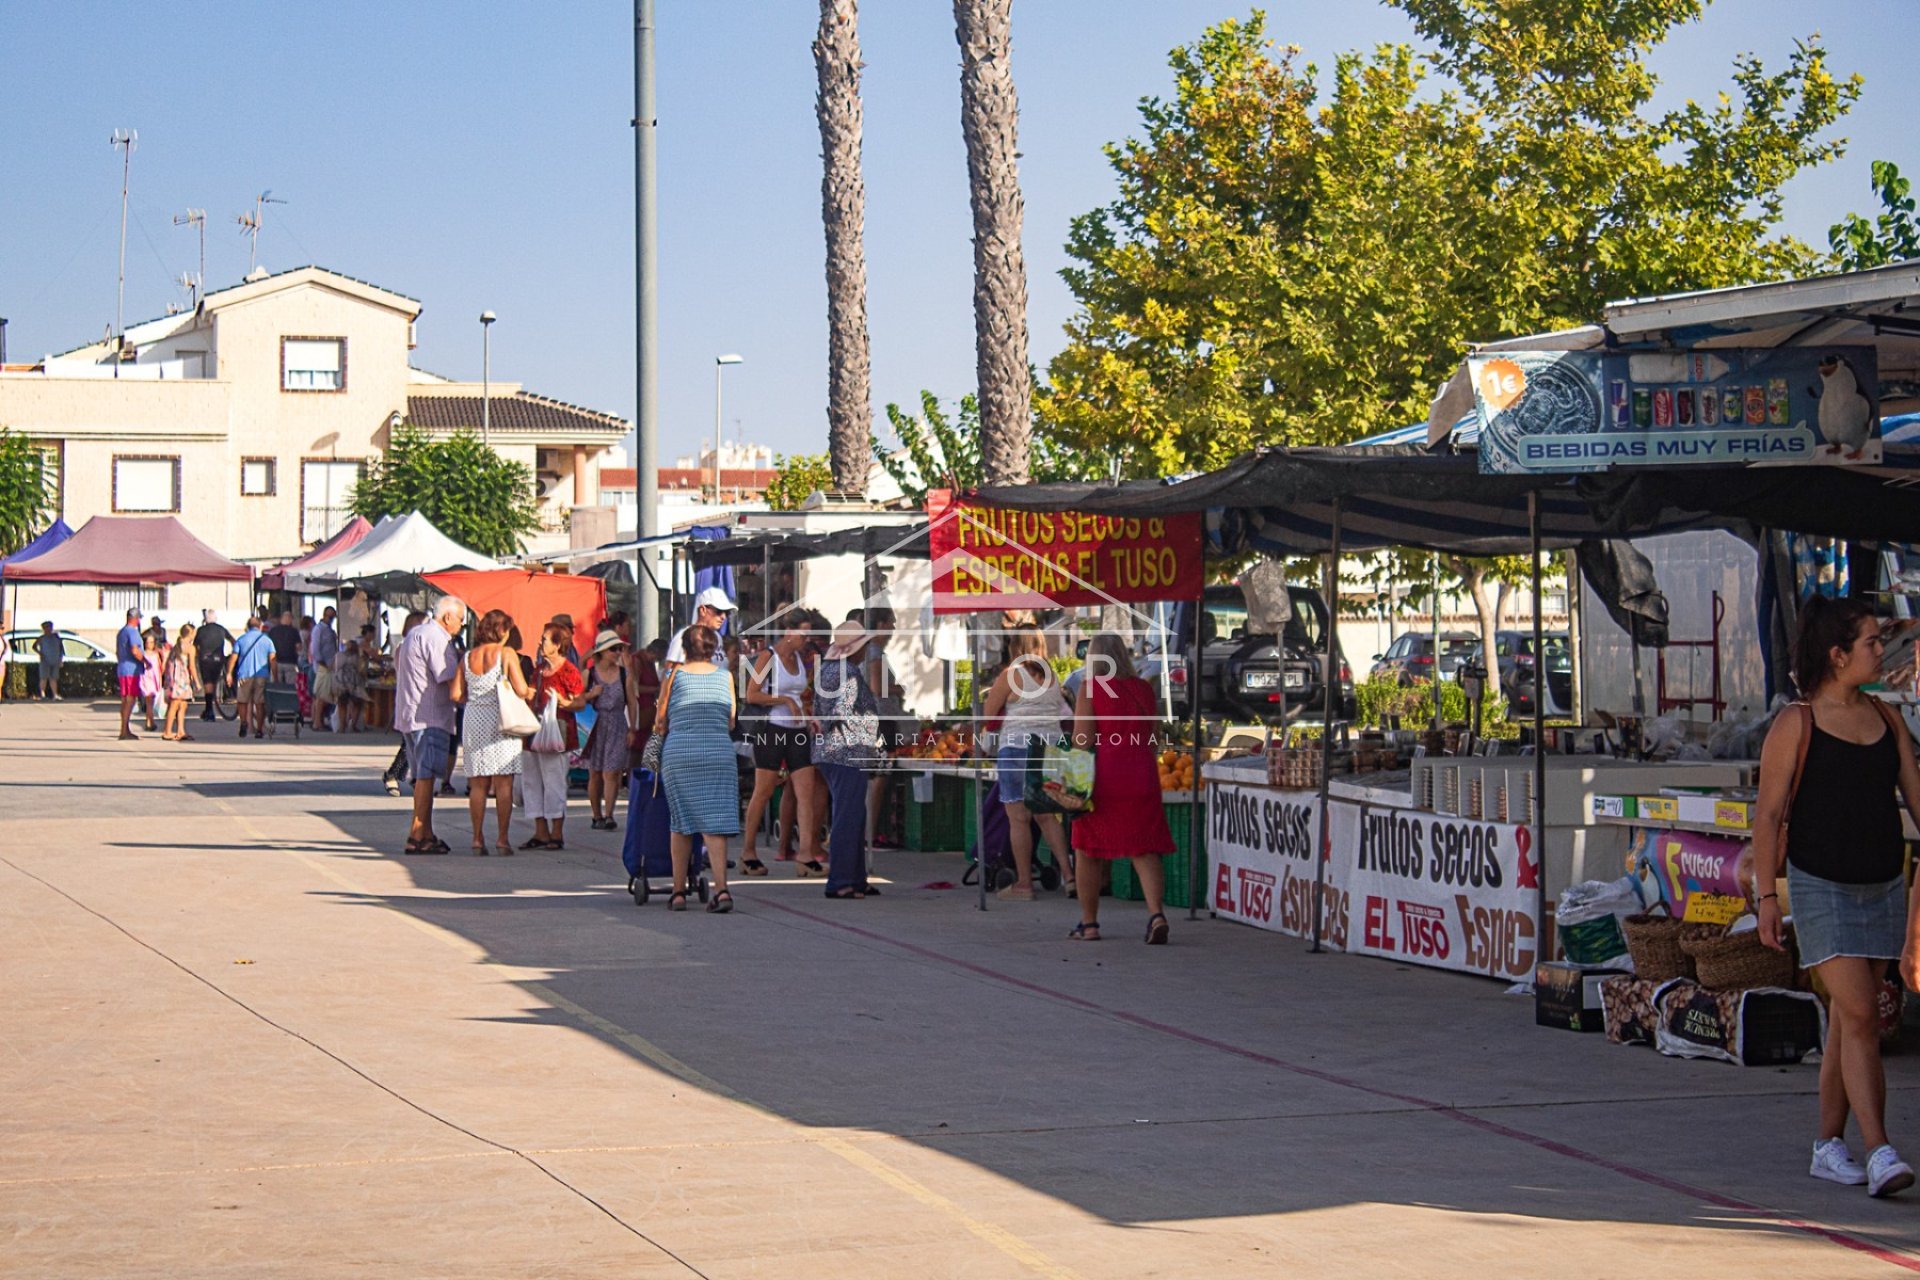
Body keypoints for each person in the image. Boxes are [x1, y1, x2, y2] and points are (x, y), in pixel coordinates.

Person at [1753, 596, 1920, 1197]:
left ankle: (1828, 1144)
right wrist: (1767, 897)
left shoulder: (1887, 719)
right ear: (1838, 654)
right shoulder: (1796, 724)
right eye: (1873, 642)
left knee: (1849, 1024)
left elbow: (1918, 803)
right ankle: (1879, 1149)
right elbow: (1769, 817)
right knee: (1859, 1016)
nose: (1882, 650)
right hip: (1819, 886)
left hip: (1882, 886)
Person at [1066, 634, 1177, 944]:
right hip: (1143, 775)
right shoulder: (1143, 689)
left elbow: (1082, 740)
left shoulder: (1091, 689)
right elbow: (1154, 735)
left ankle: (1089, 924)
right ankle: (1156, 915)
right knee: (1144, 847)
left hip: (1105, 778)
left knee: (1087, 847)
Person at [982, 626, 1072, 901]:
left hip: (1018, 748)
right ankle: (1070, 877)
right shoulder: (1053, 677)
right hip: (1050, 750)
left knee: (1018, 819)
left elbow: (988, 714)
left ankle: (1024, 884)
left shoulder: (1011, 675)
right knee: (1047, 817)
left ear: (1014, 647)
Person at [653, 623, 737, 912]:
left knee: (681, 823)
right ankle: (722, 890)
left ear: (684, 649)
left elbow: (660, 721)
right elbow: (731, 720)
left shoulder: (673, 676)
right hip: (717, 752)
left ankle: (678, 893)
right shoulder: (725, 677)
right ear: (713, 650)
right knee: (716, 823)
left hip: (681, 753)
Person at [740, 619, 826, 878]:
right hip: (771, 730)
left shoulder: (800, 660)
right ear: (788, 632)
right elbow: (751, 694)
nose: (806, 640)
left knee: (806, 792)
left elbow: (801, 695)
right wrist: (784, 699)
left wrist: (806, 715)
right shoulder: (768, 657)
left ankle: (806, 855)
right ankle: (748, 852)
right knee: (763, 791)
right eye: (803, 634)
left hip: (797, 731)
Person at [814, 620, 883, 899]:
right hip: (847, 751)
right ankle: (841, 880)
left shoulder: (826, 669)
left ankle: (855, 878)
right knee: (848, 816)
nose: (865, 650)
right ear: (854, 649)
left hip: (828, 751)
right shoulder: (850, 673)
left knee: (853, 814)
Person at [394, 596, 468, 855]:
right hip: (430, 716)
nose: (460, 626)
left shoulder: (415, 633)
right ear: (447, 617)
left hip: (411, 714)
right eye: (460, 620)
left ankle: (425, 831)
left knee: (423, 776)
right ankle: (417, 832)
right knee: (426, 777)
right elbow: (447, 676)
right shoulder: (437, 638)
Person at [456, 608, 534, 856]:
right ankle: (502, 839)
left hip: (474, 718)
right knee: (503, 782)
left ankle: (477, 839)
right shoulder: (507, 653)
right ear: (501, 631)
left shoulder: (467, 657)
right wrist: (529, 692)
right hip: (501, 718)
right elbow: (521, 689)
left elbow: (456, 694)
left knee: (478, 783)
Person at [521, 622, 585, 850]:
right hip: (533, 730)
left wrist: (564, 702)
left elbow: (580, 701)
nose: (540, 643)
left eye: (545, 639)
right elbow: (530, 694)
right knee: (532, 781)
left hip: (558, 731)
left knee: (554, 780)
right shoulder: (538, 670)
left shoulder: (569, 671)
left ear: (557, 645)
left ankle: (556, 831)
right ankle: (540, 830)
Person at [582, 628, 632, 830]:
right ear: (601, 651)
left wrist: (633, 728)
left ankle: (609, 814)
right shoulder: (590, 674)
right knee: (595, 772)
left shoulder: (623, 674)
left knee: (612, 772)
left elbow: (632, 702)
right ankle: (596, 815)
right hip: (595, 724)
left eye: (619, 648)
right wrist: (591, 695)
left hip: (618, 722)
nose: (618, 652)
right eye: (613, 649)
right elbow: (577, 700)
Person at [382, 611, 429, 794]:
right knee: (410, 744)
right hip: (411, 700)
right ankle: (396, 775)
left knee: (412, 743)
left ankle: (409, 777)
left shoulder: (413, 645)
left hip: (415, 701)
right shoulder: (406, 647)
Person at [663, 587, 737, 668]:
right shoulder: (684, 637)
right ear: (702, 610)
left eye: (727, 613)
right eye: (719, 611)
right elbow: (669, 671)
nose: (723, 617)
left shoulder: (717, 637)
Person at [227, 615, 275, 739]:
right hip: (262, 675)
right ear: (260, 626)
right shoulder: (267, 640)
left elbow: (233, 657)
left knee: (242, 701)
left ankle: (244, 723)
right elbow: (273, 660)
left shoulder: (241, 639)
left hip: (245, 674)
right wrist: (274, 676)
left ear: (247, 627)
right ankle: (259, 729)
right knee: (260, 703)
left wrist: (228, 673)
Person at [161, 623, 201, 741]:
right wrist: (197, 682)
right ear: (191, 634)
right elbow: (192, 667)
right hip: (182, 680)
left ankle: (180, 730)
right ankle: (167, 731)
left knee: (183, 704)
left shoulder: (176, 646)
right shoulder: (190, 648)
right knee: (175, 704)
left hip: (174, 679)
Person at [195, 610, 232, 720]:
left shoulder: (201, 630)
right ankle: (208, 709)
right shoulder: (221, 629)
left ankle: (209, 709)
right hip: (218, 658)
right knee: (213, 683)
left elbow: (195, 645)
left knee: (208, 683)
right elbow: (232, 640)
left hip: (205, 659)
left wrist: (197, 655)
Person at [310, 605, 340, 731]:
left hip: (330, 666)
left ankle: (318, 720)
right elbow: (315, 648)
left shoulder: (330, 631)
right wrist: (322, 663)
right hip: (323, 667)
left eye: (333, 617)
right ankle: (317, 722)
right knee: (321, 696)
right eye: (329, 616)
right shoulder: (319, 629)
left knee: (323, 696)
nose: (331, 619)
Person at [334, 638, 368, 733]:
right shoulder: (358, 657)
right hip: (355, 683)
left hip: (341, 682)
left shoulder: (339, 655)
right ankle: (353, 726)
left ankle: (342, 726)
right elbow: (362, 670)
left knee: (342, 704)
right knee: (357, 704)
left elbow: (336, 668)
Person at [138, 629, 164, 732]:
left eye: (152, 642)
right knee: (149, 700)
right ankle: (150, 722)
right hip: (146, 678)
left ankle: (150, 721)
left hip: (154, 679)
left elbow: (159, 667)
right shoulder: (143, 654)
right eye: (148, 642)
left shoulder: (156, 654)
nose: (150, 644)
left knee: (151, 701)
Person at [268, 611, 300, 683]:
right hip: (290, 662)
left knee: (275, 686)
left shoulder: (273, 630)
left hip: (276, 662)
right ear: (291, 620)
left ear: (281, 619)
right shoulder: (294, 631)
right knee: (290, 687)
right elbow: (298, 647)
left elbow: (269, 645)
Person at [34, 621, 63, 701]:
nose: (48, 629)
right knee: (43, 678)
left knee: (53, 678)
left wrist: (60, 659)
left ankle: (55, 694)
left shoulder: (56, 637)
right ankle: (42, 694)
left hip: (55, 660)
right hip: (45, 660)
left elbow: (61, 649)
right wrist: (40, 653)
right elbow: (34, 646)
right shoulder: (42, 638)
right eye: (46, 627)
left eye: (49, 627)